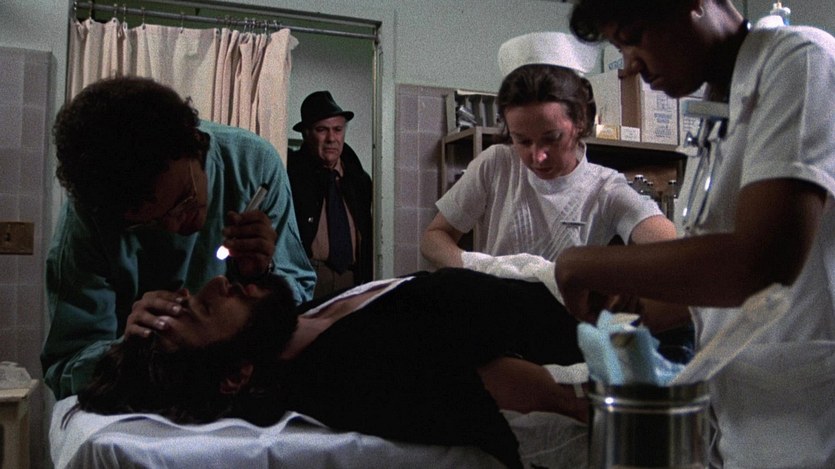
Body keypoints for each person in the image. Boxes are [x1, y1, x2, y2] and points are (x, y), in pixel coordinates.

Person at [557, 1, 835, 467]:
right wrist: (634, 314)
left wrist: (582, 263)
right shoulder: (716, 113)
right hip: (747, 422)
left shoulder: (802, 61)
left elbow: (761, 263)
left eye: (634, 37)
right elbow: (718, 286)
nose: (629, 66)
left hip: (814, 421)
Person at [69, 268, 591, 469]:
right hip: (596, 333)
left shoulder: (292, 324)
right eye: (206, 308)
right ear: (236, 376)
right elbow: (497, 388)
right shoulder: (348, 373)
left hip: (562, 297)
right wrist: (586, 398)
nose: (216, 283)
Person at [41, 76, 316, 401]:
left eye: (185, 200)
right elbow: (66, 366)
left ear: (196, 143)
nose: (176, 226)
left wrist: (262, 276)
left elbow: (299, 305)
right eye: (150, 223)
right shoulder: (91, 217)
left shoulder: (253, 167)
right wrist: (126, 351)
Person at [287, 91, 373, 298]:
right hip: (307, 277)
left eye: (337, 129)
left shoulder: (359, 180)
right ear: (306, 134)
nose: (331, 138)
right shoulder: (291, 174)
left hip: (352, 280)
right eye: (322, 130)